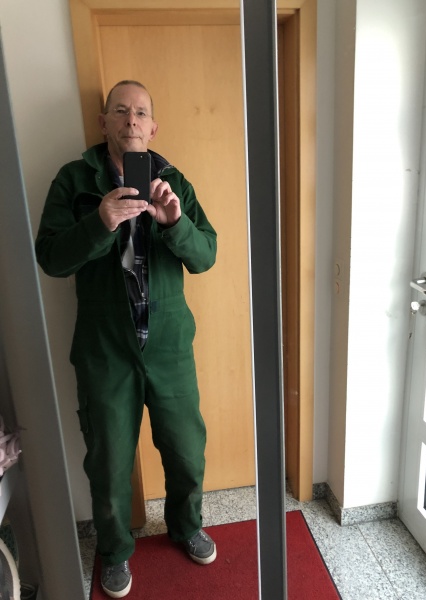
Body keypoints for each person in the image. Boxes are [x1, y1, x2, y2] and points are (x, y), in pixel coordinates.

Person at [35, 80, 217, 598]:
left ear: (153, 127)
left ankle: (187, 526)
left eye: (140, 112)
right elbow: (50, 258)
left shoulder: (173, 180)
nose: (130, 120)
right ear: (104, 122)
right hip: (104, 347)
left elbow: (206, 255)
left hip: (169, 346)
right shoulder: (74, 180)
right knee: (109, 459)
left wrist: (175, 223)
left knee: (186, 451)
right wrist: (99, 222)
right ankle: (114, 551)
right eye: (120, 111)